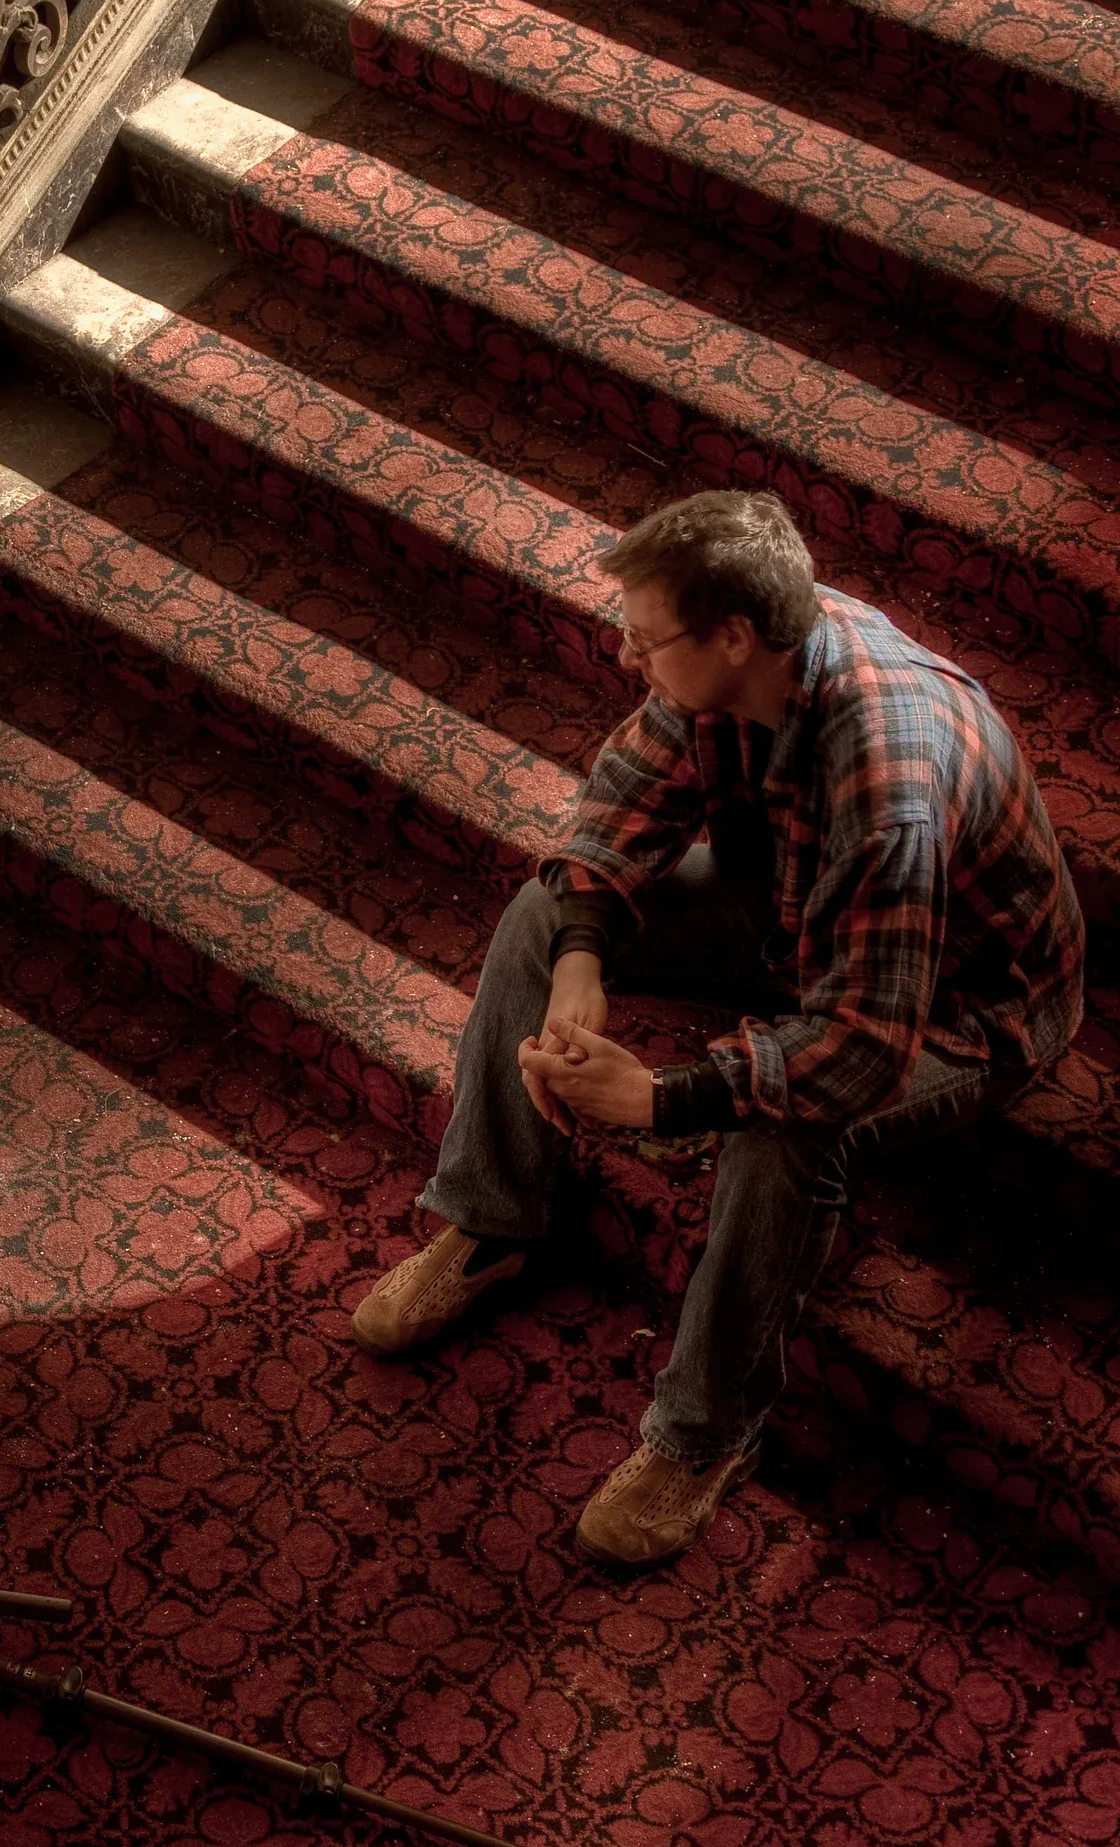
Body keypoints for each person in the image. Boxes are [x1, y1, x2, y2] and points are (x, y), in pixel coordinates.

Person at [348, 489, 1084, 1566]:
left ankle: (702, 1434)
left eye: (644, 640)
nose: (624, 657)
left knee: (785, 1127)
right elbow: (619, 799)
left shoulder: (887, 776)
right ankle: (498, 1218)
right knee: (540, 912)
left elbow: (857, 1047)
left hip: (962, 1004)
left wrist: (658, 1096)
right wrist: (581, 959)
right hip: (801, 906)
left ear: (733, 636)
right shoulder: (739, 647)